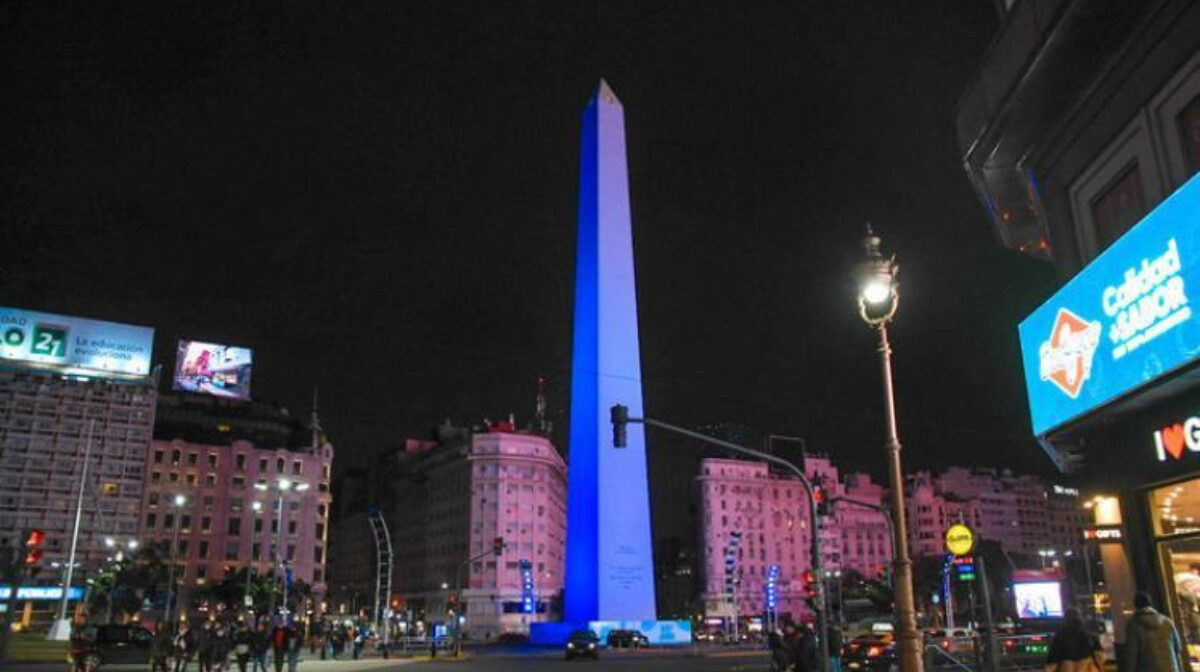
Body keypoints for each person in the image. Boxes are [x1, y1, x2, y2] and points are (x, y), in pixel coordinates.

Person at [1123, 592, 1189, 672]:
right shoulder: (1167, 621)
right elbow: (1178, 648)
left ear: (1136, 605)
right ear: (1151, 604)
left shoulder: (1133, 625)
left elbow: (1131, 654)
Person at [1047, 608, 1103, 672]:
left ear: (1065, 619)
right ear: (1080, 618)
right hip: (1087, 667)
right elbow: (1100, 656)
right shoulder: (1089, 634)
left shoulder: (1059, 636)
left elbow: (1053, 661)